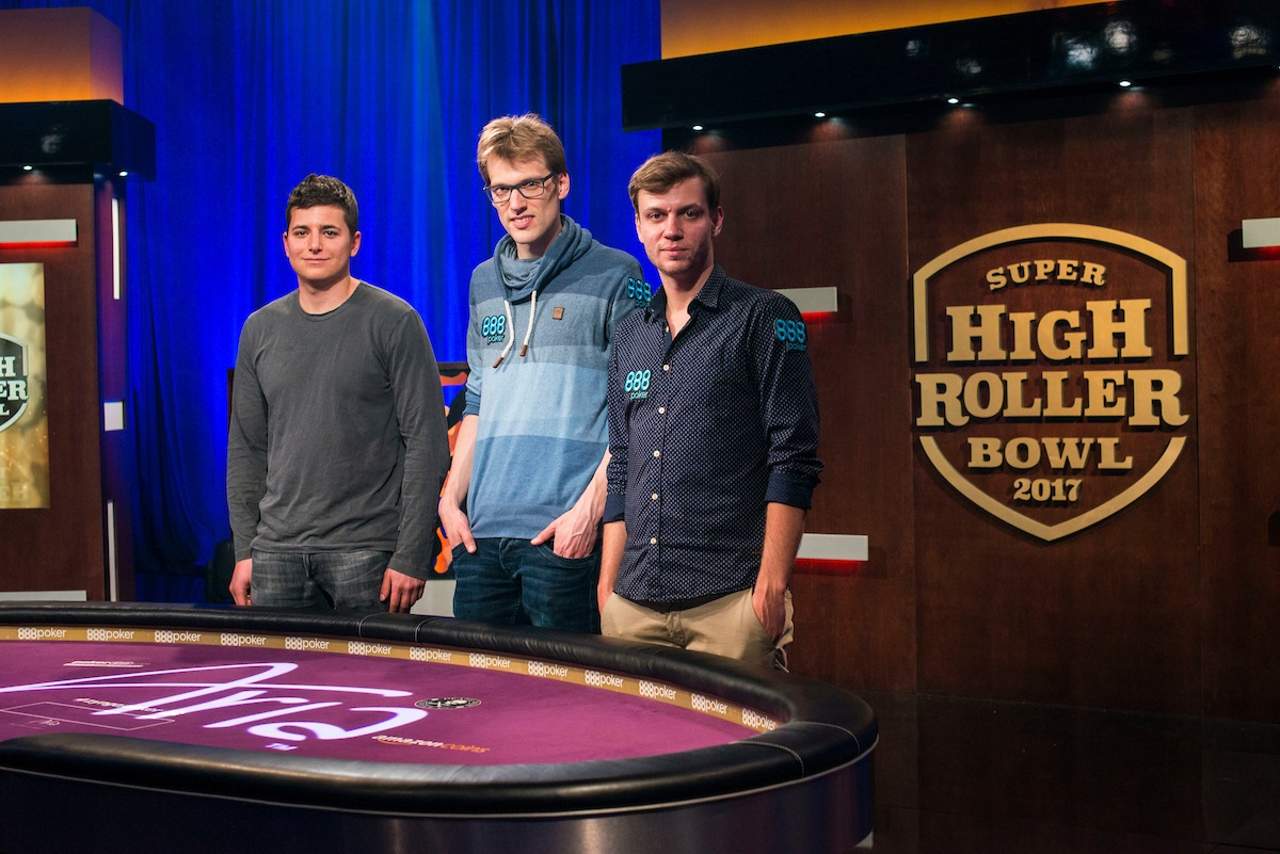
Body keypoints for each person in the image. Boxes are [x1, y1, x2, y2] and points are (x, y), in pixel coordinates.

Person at [598, 152, 822, 669]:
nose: (671, 230)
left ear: (716, 219)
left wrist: (771, 587)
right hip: (632, 605)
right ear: (638, 227)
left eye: (689, 213)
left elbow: (795, 458)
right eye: (656, 215)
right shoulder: (630, 334)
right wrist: (607, 587)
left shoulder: (763, 316)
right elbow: (622, 463)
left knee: (746, 730)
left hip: (731, 603)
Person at [438, 114, 645, 632]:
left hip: (563, 536)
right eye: (501, 190)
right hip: (480, 538)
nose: (516, 203)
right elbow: (478, 398)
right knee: (478, 682)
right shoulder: (482, 281)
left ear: (561, 183)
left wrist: (589, 513)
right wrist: (450, 502)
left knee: (565, 686)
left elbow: (637, 409)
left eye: (530, 184)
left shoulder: (616, 273)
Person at [227, 174, 449, 612]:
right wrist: (245, 549)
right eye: (302, 233)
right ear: (285, 243)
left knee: (373, 662)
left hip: (366, 552)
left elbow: (426, 443)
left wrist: (410, 554)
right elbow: (247, 450)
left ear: (354, 242)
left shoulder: (395, 321)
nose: (314, 245)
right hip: (276, 553)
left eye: (329, 232)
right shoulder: (259, 329)